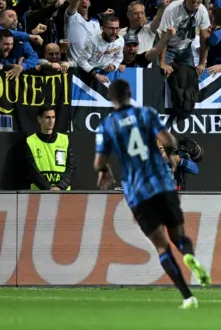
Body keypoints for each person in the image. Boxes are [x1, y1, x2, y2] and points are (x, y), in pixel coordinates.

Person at [94, 79, 210, 309]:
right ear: (129, 95)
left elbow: (99, 161)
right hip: (162, 183)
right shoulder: (146, 114)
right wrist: (170, 159)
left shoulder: (107, 126)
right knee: (179, 237)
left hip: (137, 191)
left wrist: (104, 171)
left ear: (112, 99)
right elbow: (169, 140)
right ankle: (189, 255)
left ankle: (188, 297)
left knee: (161, 246)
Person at [25, 106, 75, 191]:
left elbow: (71, 166)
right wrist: (49, 188)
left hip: (63, 193)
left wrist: (60, 187)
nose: (51, 121)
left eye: (53, 117)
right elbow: (32, 171)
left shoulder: (65, 140)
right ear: (39, 119)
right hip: (39, 194)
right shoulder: (30, 141)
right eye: (47, 117)